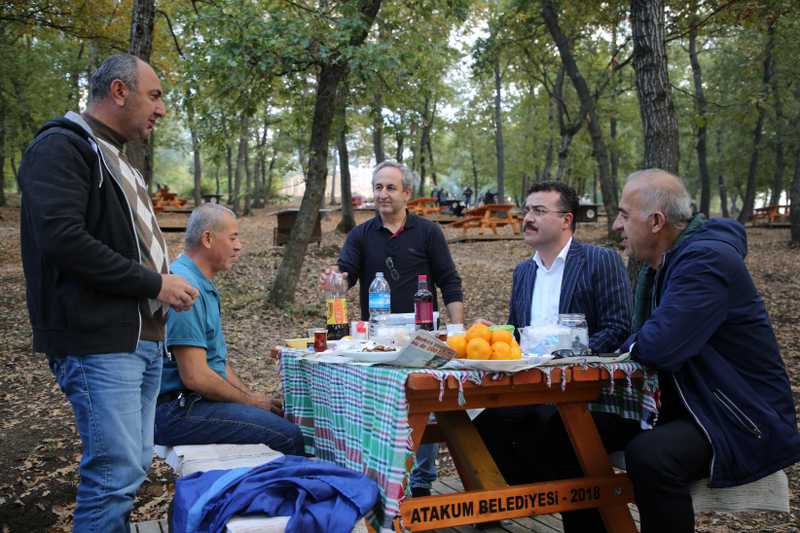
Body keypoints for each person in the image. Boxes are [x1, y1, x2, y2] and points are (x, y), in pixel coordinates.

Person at [546, 169, 800, 533]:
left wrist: (630, 345)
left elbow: (657, 346)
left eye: (623, 215)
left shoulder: (705, 263)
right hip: (684, 401)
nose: (616, 225)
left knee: (652, 456)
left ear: (656, 222)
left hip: (737, 414)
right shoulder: (665, 265)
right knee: (569, 430)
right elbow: (648, 342)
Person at [18, 54, 199, 532]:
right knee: (115, 471)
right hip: (98, 340)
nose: (161, 109)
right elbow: (63, 239)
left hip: (140, 339)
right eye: (154, 95)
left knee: (133, 465)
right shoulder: (62, 147)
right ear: (119, 92)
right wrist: (154, 282)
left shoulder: (118, 157)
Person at [322, 159, 465, 497]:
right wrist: (335, 281)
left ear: (407, 193)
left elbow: (449, 281)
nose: (382, 195)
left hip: (423, 336)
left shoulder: (429, 232)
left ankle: (420, 483)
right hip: (378, 339)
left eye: (390, 187)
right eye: (378, 187)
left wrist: (458, 330)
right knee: (383, 408)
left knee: (425, 409)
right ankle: (384, 482)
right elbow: (345, 277)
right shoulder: (361, 234)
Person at [474, 181, 631, 484]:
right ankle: (527, 498)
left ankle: (571, 503)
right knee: (480, 419)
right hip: (528, 388)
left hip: (585, 392)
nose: (528, 218)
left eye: (539, 211)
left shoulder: (600, 261)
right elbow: (518, 337)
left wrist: (567, 360)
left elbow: (618, 327)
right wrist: (495, 335)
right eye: (527, 210)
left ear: (566, 220)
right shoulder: (523, 272)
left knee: (549, 429)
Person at [155, 204, 304, 456]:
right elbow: (196, 376)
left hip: (194, 401)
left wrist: (253, 398)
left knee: (287, 418)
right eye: (233, 237)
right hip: (176, 410)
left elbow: (217, 364)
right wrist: (250, 402)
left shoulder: (201, 282)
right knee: (288, 437)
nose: (239, 246)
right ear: (208, 239)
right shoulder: (184, 286)